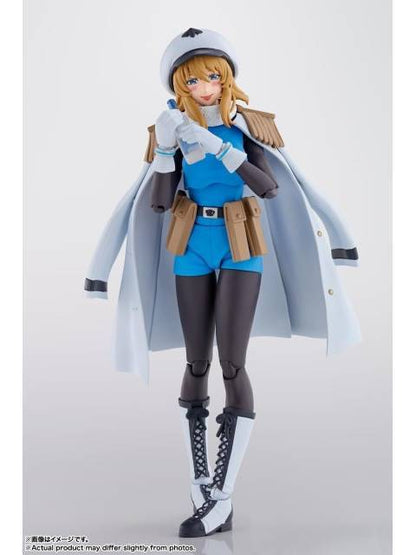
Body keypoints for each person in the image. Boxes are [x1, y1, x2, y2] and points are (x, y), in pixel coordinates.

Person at [84, 28, 361, 538]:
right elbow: (158, 202)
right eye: (193, 81)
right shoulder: (169, 129)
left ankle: (224, 493)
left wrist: (219, 147)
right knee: (197, 362)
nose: (205, 87)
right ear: (179, 86)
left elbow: (271, 187)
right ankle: (201, 485)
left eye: (213, 77)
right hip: (191, 241)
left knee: (233, 363)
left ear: (226, 79)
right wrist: (167, 151)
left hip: (241, 242)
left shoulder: (248, 126)